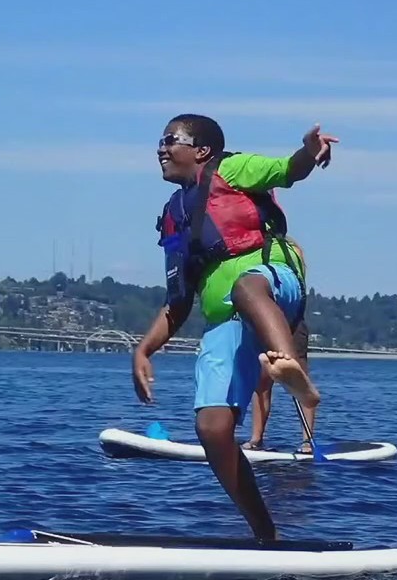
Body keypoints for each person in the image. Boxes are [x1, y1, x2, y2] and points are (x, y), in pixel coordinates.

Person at [132, 114, 336, 541]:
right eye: (161, 140)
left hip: (272, 282)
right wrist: (143, 350)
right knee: (212, 428)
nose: (161, 148)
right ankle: (265, 533)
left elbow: (288, 169)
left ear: (201, 150)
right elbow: (177, 303)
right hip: (226, 322)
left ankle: (285, 366)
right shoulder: (174, 216)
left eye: (172, 140)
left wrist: (308, 149)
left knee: (246, 287)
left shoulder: (232, 169)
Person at [241, 236, 317, 455]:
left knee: (299, 377)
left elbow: (298, 282)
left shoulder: (292, 249)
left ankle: (307, 440)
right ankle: (256, 438)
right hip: (264, 319)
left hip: (292, 320)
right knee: (262, 381)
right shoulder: (253, 248)